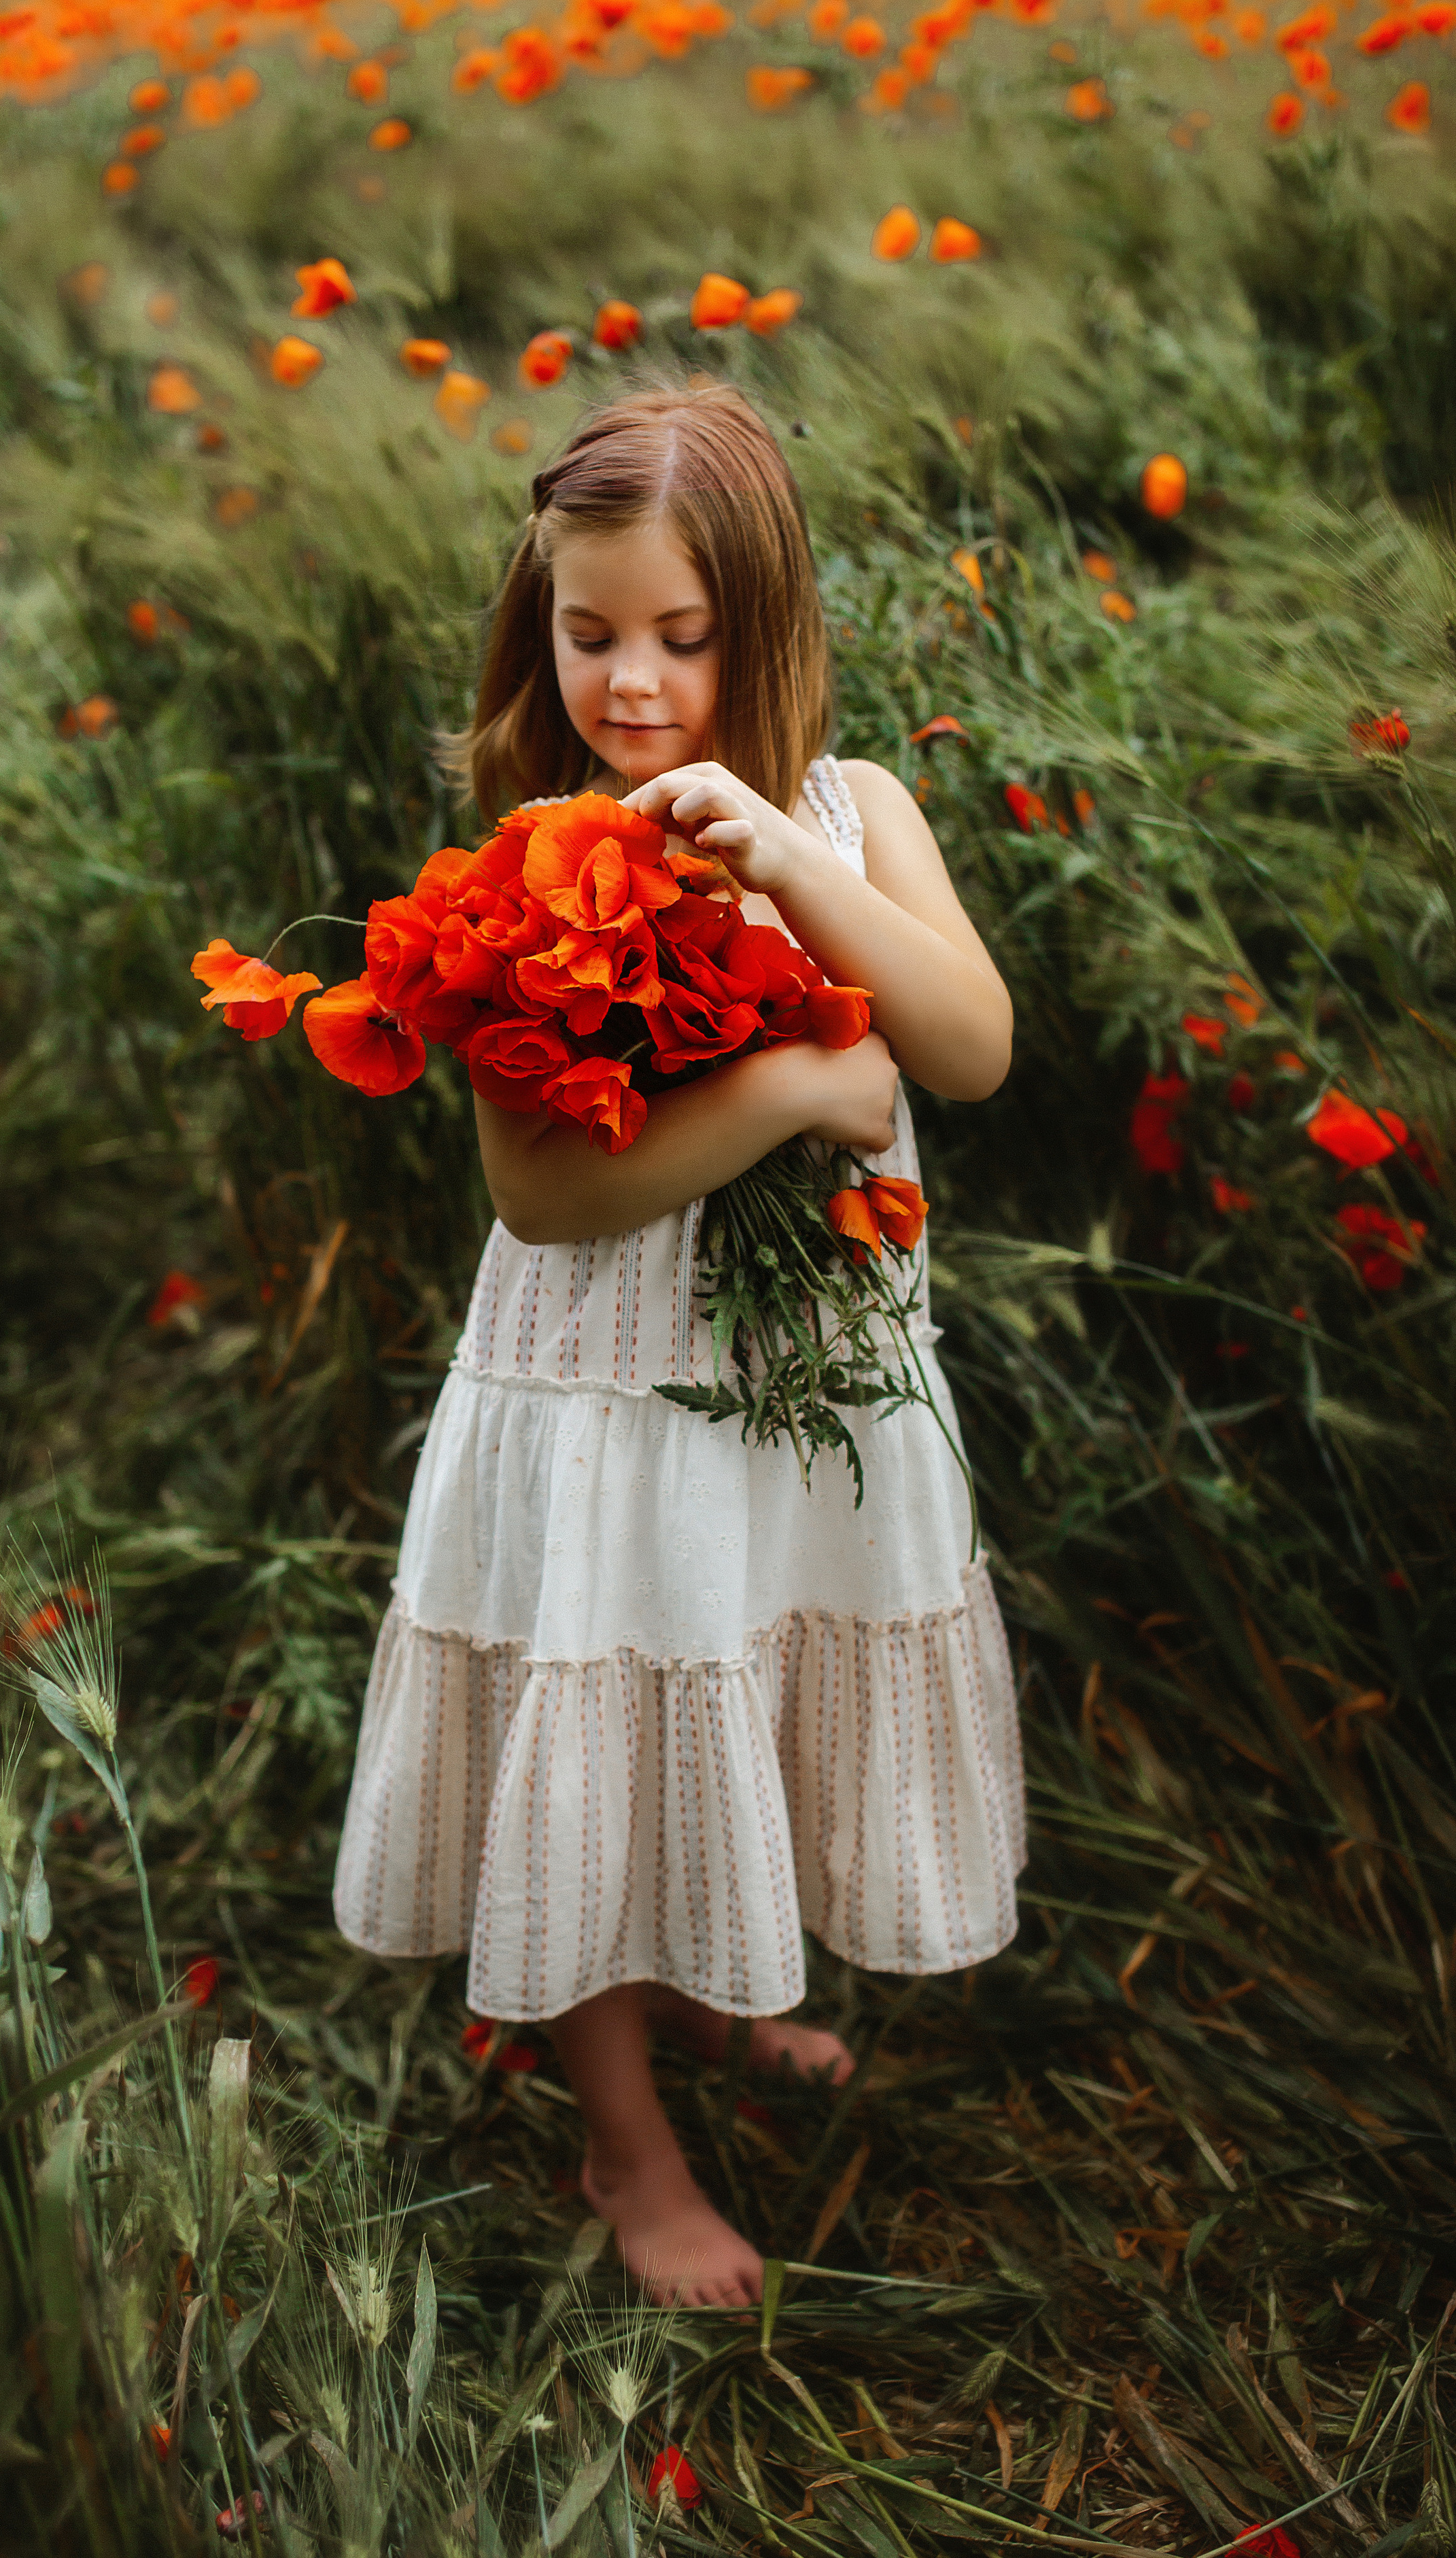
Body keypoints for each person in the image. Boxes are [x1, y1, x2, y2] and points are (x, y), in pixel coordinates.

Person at [334, 379, 1022, 2308]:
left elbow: (969, 1049)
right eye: (589, 633)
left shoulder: (856, 813)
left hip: (805, 1391)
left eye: (683, 637)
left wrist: (796, 870)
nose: (631, 682)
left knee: (746, 1671)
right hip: (616, 1392)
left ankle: (719, 1986)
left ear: (767, 628)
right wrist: (796, 1092)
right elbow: (548, 1198)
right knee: (606, 1713)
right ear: (541, 626)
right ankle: (625, 2143)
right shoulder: (531, 863)